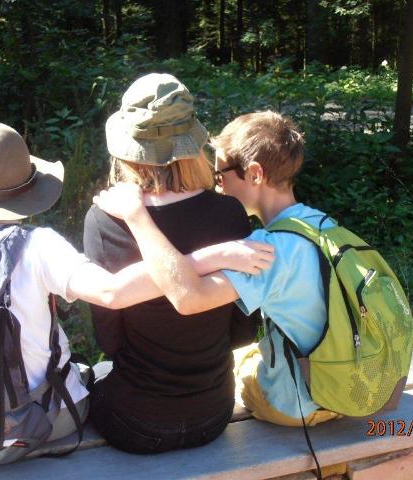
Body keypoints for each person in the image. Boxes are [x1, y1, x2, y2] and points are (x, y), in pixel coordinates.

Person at [0, 121, 273, 461]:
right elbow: (113, 292)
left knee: (101, 375)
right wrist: (212, 257)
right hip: (54, 423)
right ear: (26, 190)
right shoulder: (36, 246)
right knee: (90, 378)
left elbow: (110, 340)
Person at [94, 110, 340, 428]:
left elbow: (188, 299)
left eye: (221, 175)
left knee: (246, 369)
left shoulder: (266, 250)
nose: (217, 187)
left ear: (254, 174)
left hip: (301, 402)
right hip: (341, 378)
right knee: (242, 358)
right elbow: (241, 332)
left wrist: (138, 217)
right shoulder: (320, 224)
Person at [83, 73, 266, 454]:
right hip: (214, 415)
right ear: (192, 142)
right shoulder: (229, 213)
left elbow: (109, 340)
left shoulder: (105, 219)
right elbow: (243, 332)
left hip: (134, 423)